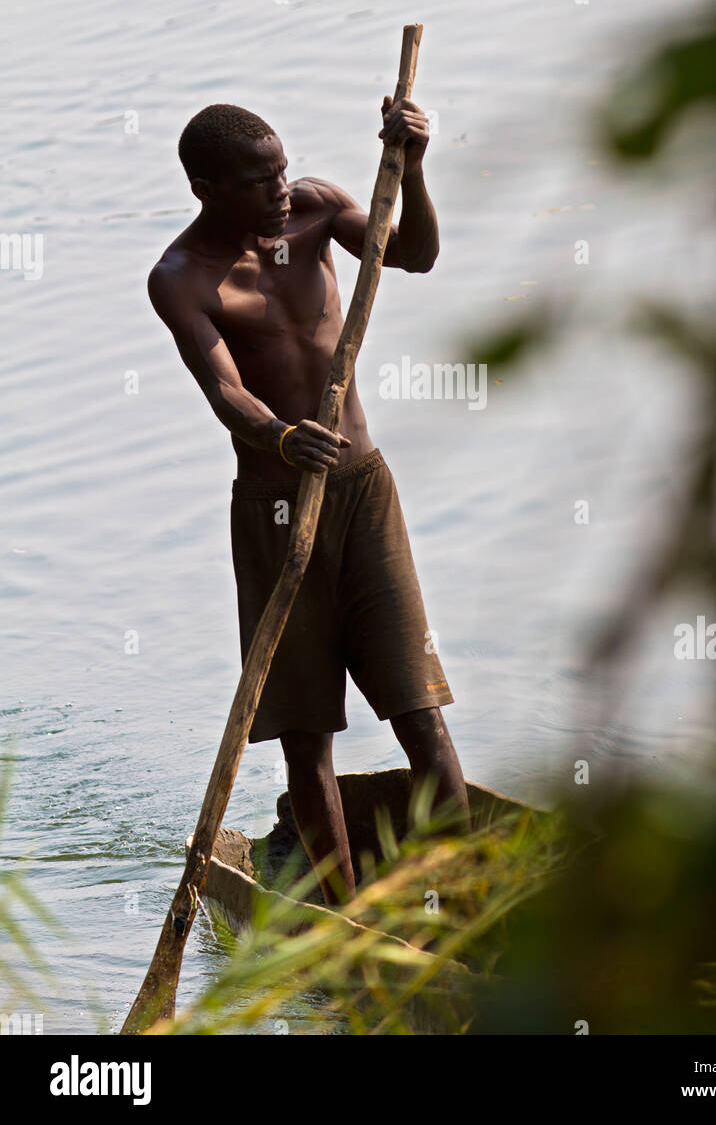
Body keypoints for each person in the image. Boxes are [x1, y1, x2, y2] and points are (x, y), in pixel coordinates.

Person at [147, 95, 469, 904]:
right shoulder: (181, 278)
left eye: (283, 169)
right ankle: (350, 922)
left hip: (362, 493)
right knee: (305, 739)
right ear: (206, 188)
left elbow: (417, 256)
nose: (281, 189)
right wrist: (282, 438)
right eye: (259, 181)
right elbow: (225, 391)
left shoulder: (318, 211)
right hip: (273, 511)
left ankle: (468, 904)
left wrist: (415, 165)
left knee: (420, 713)